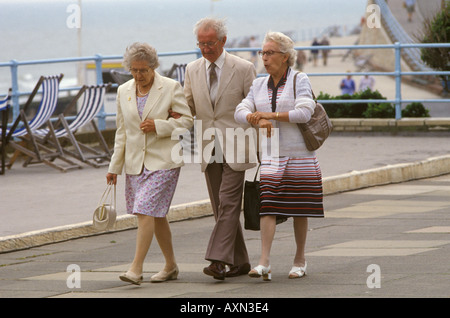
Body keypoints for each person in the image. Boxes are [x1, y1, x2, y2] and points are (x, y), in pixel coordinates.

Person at [235, 31, 324, 280]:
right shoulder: (258, 84)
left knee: (300, 208)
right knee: (268, 206)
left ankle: (300, 259)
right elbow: (240, 110)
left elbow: (305, 112)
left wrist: (270, 116)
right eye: (262, 53)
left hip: (300, 154)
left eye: (270, 53)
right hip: (272, 155)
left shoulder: (299, 79)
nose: (264, 58)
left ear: (285, 57)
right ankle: (264, 262)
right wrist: (253, 117)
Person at [106, 42, 193, 285]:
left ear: (153, 67)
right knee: (155, 215)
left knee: (144, 209)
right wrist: (114, 167)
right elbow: (121, 132)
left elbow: (187, 121)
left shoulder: (170, 87)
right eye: (134, 70)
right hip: (135, 163)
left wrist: (159, 126)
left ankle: (136, 268)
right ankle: (171, 265)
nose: (138, 75)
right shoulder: (124, 90)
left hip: (164, 160)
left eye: (143, 70)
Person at [184, 17, 257, 280]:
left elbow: (254, 107)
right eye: (201, 44)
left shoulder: (244, 68)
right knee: (220, 206)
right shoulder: (192, 69)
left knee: (228, 204)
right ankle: (241, 262)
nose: (205, 48)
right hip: (208, 145)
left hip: (237, 143)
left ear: (223, 41)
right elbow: (188, 107)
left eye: (210, 43)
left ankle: (217, 261)